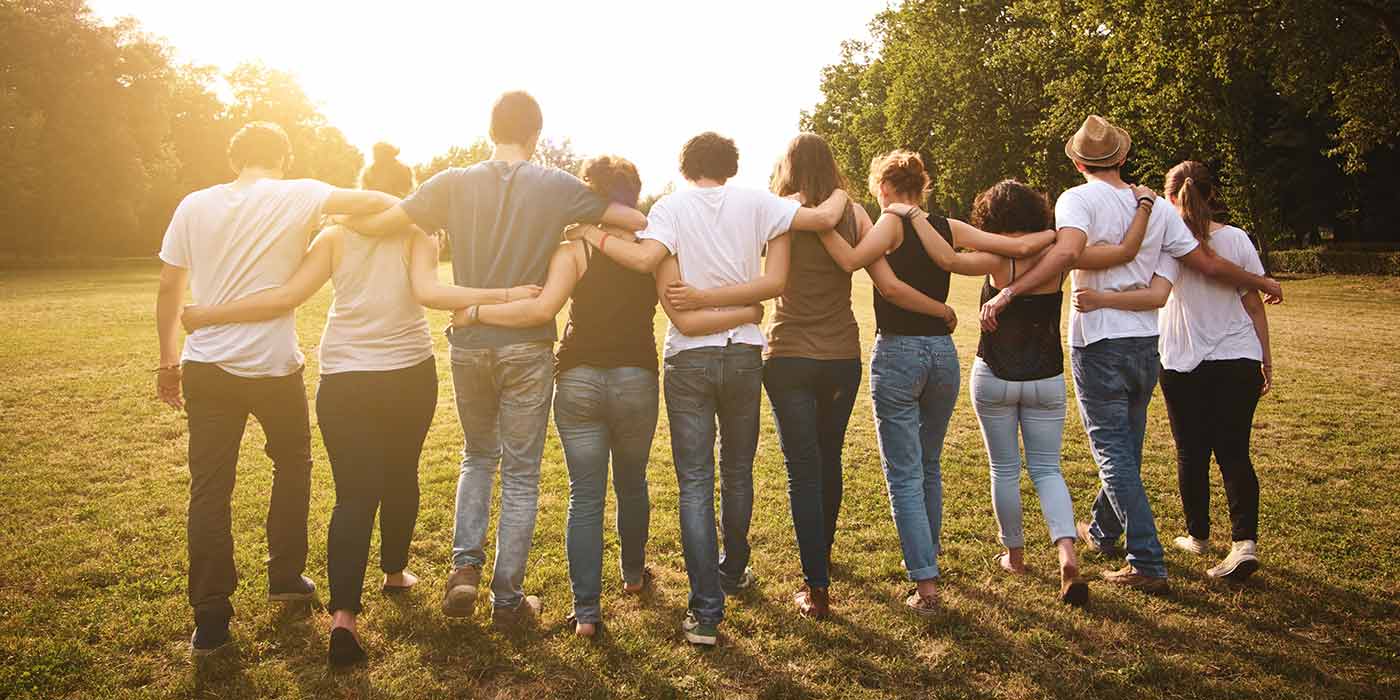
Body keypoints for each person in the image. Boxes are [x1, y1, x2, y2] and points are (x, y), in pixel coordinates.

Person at [178, 165, 535, 664]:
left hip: (344, 378)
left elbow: (286, 297)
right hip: (408, 374)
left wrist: (207, 315)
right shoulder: (418, 234)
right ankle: (394, 573)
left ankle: (343, 617)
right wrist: (503, 294)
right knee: (401, 473)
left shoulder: (333, 237)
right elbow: (431, 295)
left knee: (352, 496)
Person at [344, 91, 649, 627]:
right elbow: (636, 218)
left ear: (490, 131)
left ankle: (464, 569)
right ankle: (507, 601)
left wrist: (325, 205)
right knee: (523, 472)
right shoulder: (555, 185)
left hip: (469, 341)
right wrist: (586, 227)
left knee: (477, 456)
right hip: (528, 345)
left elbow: (380, 220)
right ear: (535, 135)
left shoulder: (451, 183)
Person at [452, 155, 762, 639]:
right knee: (633, 483)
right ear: (634, 196)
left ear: (590, 195)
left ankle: (587, 614)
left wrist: (475, 312)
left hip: (577, 379)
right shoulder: (653, 250)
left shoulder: (574, 248)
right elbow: (680, 305)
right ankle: (634, 576)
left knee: (585, 497)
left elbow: (544, 307)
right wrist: (748, 309)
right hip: (636, 377)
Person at [568, 131, 849, 646]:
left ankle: (704, 611)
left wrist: (596, 234)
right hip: (743, 351)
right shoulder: (761, 203)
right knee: (737, 470)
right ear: (732, 166)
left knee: (695, 482)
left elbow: (655, 276)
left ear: (684, 167)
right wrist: (742, 311)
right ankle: (734, 569)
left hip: (689, 357)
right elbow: (790, 264)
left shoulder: (670, 209)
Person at [980, 115, 1282, 592]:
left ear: (1078, 162)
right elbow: (1204, 260)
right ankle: (1104, 529)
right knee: (1127, 447)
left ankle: (1147, 560)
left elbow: (1065, 255)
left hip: (1099, 340)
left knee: (1112, 454)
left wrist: (1007, 294)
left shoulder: (1076, 199)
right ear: (1122, 157)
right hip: (1146, 344)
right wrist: (1260, 279)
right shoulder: (1157, 207)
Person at [154, 121, 403, 658]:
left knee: (210, 487)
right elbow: (384, 198)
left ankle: (212, 616)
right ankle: (286, 575)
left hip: (207, 367)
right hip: (272, 367)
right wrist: (342, 215)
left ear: (234, 159)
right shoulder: (303, 194)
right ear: (284, 159)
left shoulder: (194, 204)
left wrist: (167, 362)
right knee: (292, 465)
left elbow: (170, 286)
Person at [809, 151, 1055, 616]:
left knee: (904, 475)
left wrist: (824, 218)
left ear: (883, 187)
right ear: (923, 187)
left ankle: (926, 586)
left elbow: (865, 271)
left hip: (899, 351)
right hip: (942, 356)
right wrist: (1058, 234)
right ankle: (930, 560)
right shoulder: (947, 226)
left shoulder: (889, 223)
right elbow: (1016, 248)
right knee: (929, 465)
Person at [885, 177, 1151, 606]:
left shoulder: (994, 256)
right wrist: (1143, 207)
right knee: (1048, 470)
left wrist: (914, 215)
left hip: (994, 374)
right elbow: (1123, 252)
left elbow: (947, 259)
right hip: (1045, 376)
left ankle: (1015, 555)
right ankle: (1066, 552)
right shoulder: (1060, 254)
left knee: (1004, 469)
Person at [1072, 161, 1272, 582]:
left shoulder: (1166, 236)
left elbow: (1158, 293)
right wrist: (1265, 355)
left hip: (1182, 358)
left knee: (1189, 450)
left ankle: (1197, 535)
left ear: (1170, 194)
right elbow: (1250, 300)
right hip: (1238, 354)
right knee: (1234, 450)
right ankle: (1243, 544)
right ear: (1212, 191)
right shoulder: (1234, 239)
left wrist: (1102, 297)